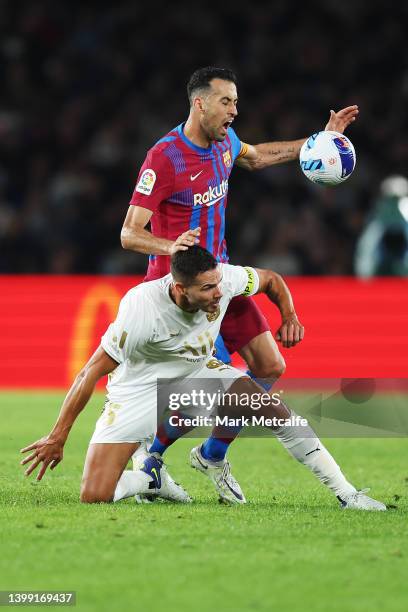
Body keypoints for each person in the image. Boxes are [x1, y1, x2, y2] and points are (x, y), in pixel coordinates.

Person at [121, 66, 359, 474]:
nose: (234, 110)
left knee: (269, 367)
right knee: (202, 393)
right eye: (226, 102)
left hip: (223, 281)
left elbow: (262, 156)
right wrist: (170, 245)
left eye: (236, 102)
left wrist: (321, 141)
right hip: (183, 295)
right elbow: (129, 232)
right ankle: (151, 456)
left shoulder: (225, 141)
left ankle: (211, 455)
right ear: (200, 103)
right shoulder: (164, 158)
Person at [21, 246, 385, 511]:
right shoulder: (142, 310)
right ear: (180, 290)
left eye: (217, 284)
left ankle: (348, 495)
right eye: (207, 289)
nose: (218, 294)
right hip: (137, 392)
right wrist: (58, 436)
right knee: (94, 495)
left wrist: (289, 315)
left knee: (277, 413)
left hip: (198, 374)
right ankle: (151, 479)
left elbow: (272, 281)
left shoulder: (224, 279)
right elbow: (89, 372)